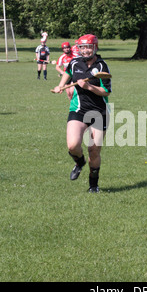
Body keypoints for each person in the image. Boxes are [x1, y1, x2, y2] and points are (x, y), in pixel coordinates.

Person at [52, 34, 111, 193]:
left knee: (94, 150)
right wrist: (61, 85)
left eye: (88, 47)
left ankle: (93, 185)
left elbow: (106, 92)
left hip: (99, 112)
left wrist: (89, 87)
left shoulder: (101, 66)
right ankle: (79, 162)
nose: (85, 51)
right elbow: (68, 72)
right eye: (82, 47)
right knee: (72, 145)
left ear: (95, 47)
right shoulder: (74, 62)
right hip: (78, 109)